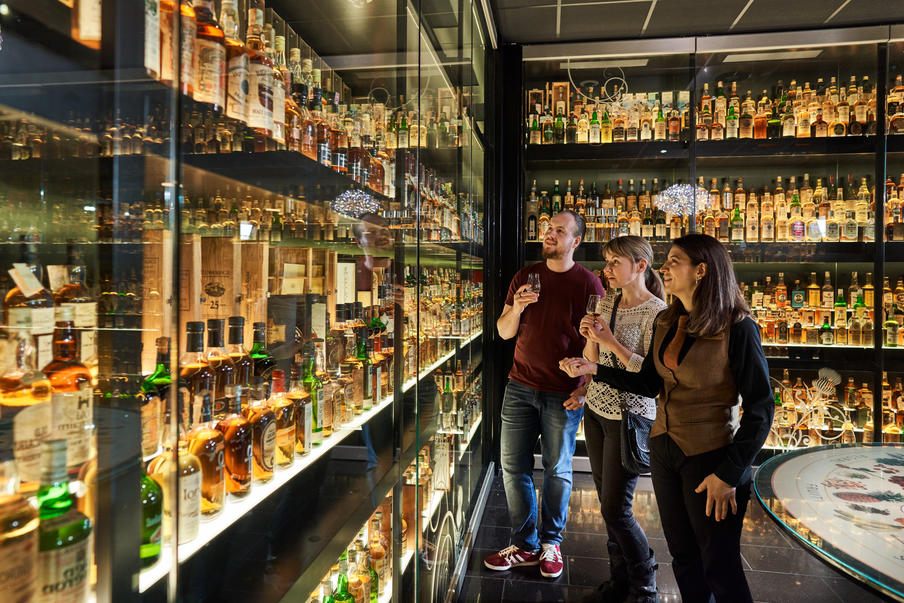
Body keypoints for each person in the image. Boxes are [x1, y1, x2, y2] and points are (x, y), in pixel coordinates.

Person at [560, 234, 773, 603]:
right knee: (684, 558)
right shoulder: (670, 321)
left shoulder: (737, 327)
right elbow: (647, 382)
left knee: (720, 566)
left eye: (674, 261)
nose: (664, 267)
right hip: (664, 448)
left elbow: (761, 408)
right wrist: (591, 367)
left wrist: (730, 473)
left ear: (702, 270)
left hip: (711, 457)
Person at [484, 210, 605, 579]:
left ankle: (551, 542)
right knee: (513, 468)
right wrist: (517, 307)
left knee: (558, 469)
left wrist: (585, 388)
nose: (549, 234)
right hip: (519, 387)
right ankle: (525, 545)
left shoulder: (590, 283)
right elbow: (504, 332)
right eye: (547, 229)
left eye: (558, 231)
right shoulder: (525, 277)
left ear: (576, 242)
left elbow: (595, 342)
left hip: (563, 393)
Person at [579, 236, 667, 603]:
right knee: (605, 503)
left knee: (617, 508)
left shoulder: (657, 312)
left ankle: (644, 584)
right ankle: (618, 580)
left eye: (615, 262)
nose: (608, 269)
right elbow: (593, 360)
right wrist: (589, 338)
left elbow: (650, 377)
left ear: (640, 266)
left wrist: (610, 340)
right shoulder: (606, 300)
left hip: (629, 416)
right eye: (607, 262)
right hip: (596, 409)